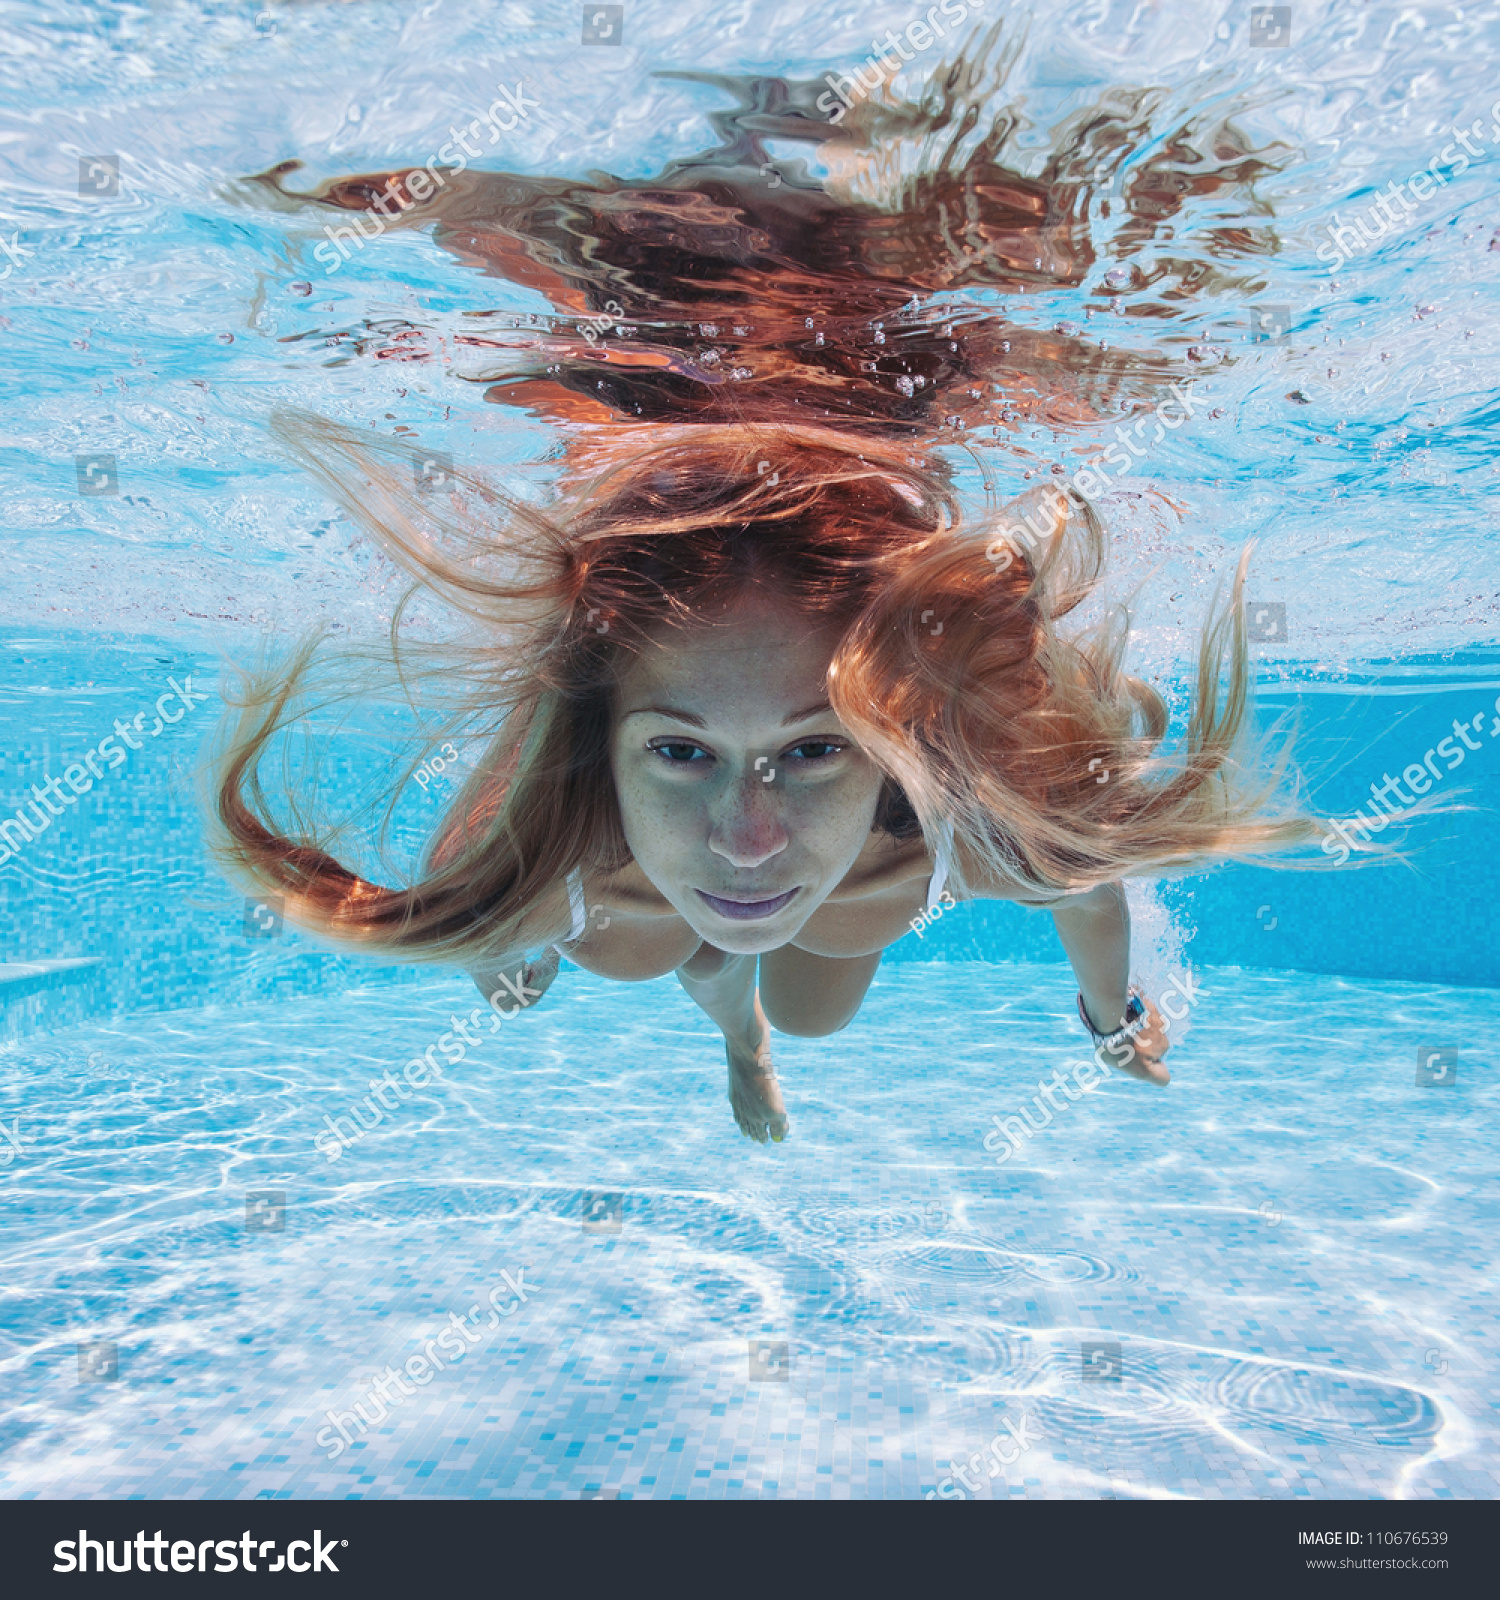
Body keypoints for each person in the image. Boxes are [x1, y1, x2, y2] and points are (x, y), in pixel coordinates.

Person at [214, 54, 1315, 1142]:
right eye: (682, 750)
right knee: (617, 944)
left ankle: (755, 1027)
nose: (747, 839)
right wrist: (504, 937)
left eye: (816, 748)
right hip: (603, 877)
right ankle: (737, 1035)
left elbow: (1086, 891)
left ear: (894, 740)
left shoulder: (933, 838)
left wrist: (1110, 1021)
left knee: (810, 1003)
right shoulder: (559, 875)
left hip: (804, 874)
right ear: (599, 744)